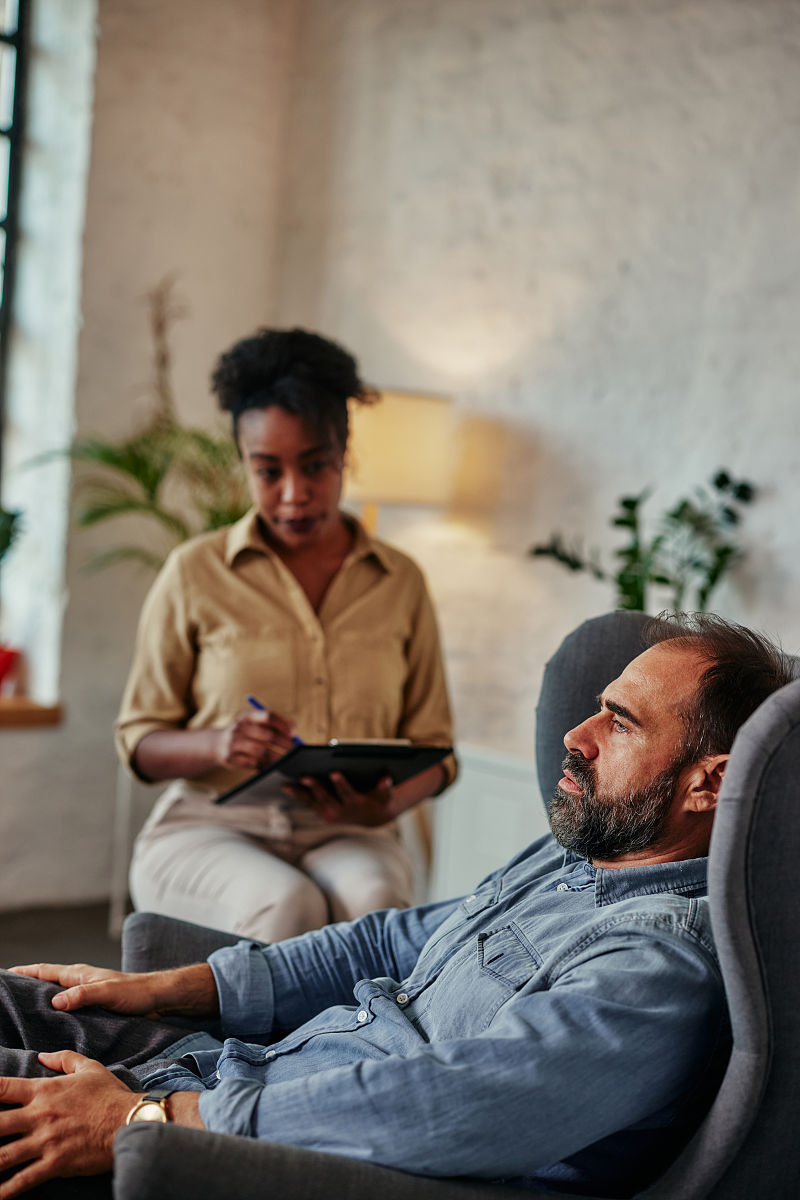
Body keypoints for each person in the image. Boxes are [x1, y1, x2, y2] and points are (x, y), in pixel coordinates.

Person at [0, 613, 794, 1199]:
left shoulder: (656, 965)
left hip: (238, 1159)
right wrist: (171, 987)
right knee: (15, 992)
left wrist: (148, 1120)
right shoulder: (587, 853)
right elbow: (393, 941)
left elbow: (458, 1103)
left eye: (619, 724)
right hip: (232, 1071)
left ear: (711, 782)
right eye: (596, 706)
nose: (575, 738)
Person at [115, 327, 455, 941]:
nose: (294, 494)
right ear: (243, 463)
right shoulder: (195, 572)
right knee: (287, 905)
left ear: (344, 450)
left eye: (316, 466)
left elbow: (438, 750)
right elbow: (139, 742)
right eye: (268, 471)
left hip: (352, 830)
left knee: (378, 905)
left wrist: (386, 805)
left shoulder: (400, 582)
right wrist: (218, 744)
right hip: (211, 823)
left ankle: (373, 1042)